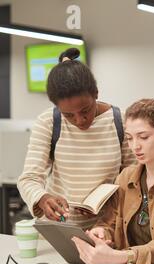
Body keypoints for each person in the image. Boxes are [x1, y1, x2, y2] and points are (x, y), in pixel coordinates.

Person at [72, 99, 154, 264]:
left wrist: (122, 256)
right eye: (130, 138)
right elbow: (110, 222)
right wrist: (102, 232)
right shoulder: (125, 177)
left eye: (144, 137)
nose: (135, 146)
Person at [17, 48, 135, 230]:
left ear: (96, 93)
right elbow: (29, 178)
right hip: (58, 229)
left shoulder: (121, 121)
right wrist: (43, 198)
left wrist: (110, 202)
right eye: (69, 115)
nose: (79, 120)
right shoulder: (49, 121)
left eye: (85, 110)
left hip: (105, 231)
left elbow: (133, 180)